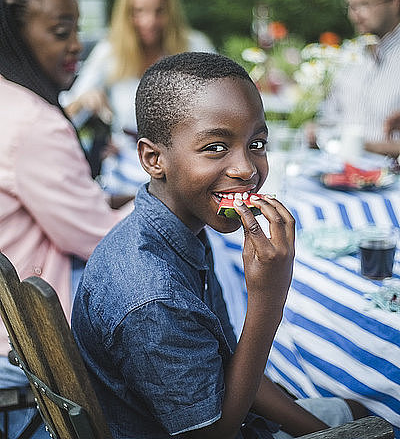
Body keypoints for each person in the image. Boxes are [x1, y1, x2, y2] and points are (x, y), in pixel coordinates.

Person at [72, 52, 368, 439]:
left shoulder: (181, 227)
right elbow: (214, 434)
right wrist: (267, 300)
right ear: (153, 158)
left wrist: (319, 430)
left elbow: (229, 365)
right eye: (215, 147)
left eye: (257, 143)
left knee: (355, 411)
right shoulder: (153, 298)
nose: (246, 169)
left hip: (226, 410)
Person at [0, 0, 133, 439]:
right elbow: (100, 239)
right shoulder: (32, 123)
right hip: (22, 365)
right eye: (61, 31)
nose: (77, 44)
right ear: (12, 32)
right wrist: (170, 198)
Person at [63, 0, 215, 138]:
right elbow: (68, 112)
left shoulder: (194, 46)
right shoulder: (111, 50)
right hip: (127, 155)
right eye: (139, 11)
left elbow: (221, 100)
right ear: (126, 14)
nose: (149, 22)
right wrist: (85, 100)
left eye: (159, 11)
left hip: (185, 155)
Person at [318, 0, 400, 145]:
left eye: (364, 4)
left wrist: (372, 147)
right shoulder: (348, 55)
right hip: (343, 169)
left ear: (395, 1)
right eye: (350, 5)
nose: (353, 15)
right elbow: (329, 119)